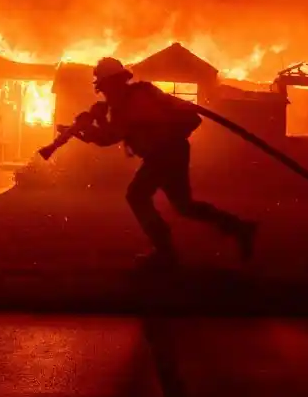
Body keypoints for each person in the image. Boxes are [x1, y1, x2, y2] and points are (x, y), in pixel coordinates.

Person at [76, 57, 257, 269]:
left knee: (137, 195)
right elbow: (112, 134)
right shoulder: (127, 100)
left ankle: (165, 253)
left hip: (165, 153)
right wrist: (92, 126)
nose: (103, 92)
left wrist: (94, 124)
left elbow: (111, 136)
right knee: (184, 205)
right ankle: (239, 228)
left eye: (104, 86)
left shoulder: (135, 100)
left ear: (114, 82)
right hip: (169, 152)